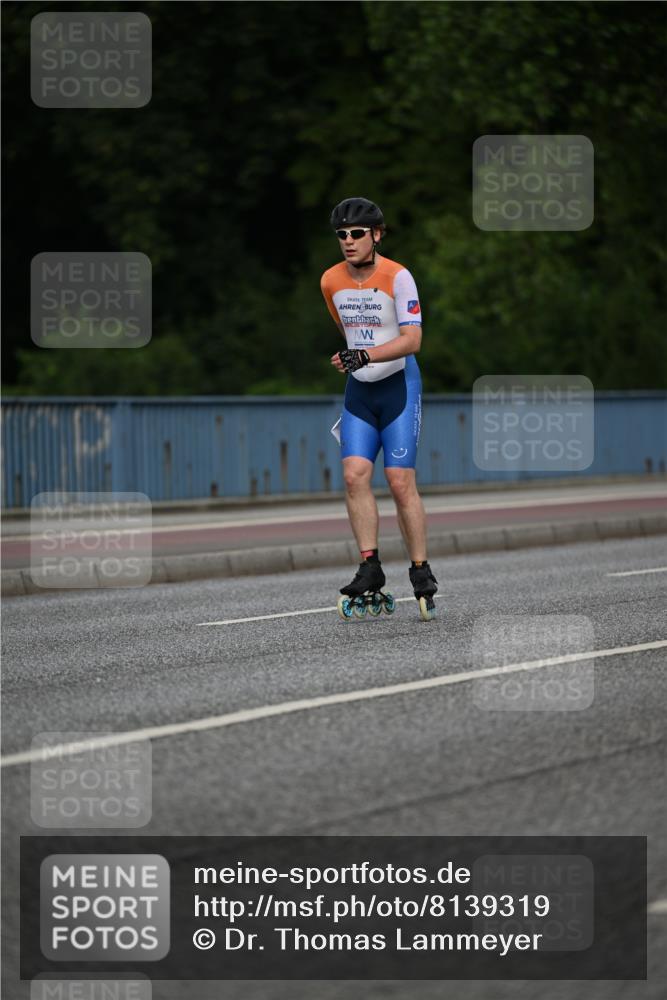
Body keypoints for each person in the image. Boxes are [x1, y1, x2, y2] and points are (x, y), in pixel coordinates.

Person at [320, 197, 438, 620]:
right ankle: (369, 567)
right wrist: (350, 358)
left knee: (399, 480)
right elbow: (348, 334)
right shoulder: (330, 281)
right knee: (354, 476)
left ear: (377, 235)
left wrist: (366, 355)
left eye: (356, 233)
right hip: (359, 392)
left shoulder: (398, 277)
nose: (348, 241)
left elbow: (412, 340)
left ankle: (421, 572)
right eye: (341, 235)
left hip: (398, 388)